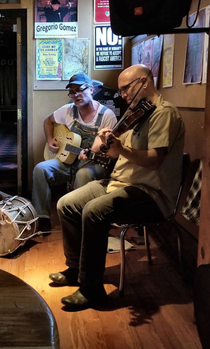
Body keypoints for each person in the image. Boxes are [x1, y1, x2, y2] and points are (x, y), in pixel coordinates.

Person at [51, 64, 185, 309]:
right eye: (121, 90)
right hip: (119, 184)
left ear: (144, 82)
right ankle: (75, 269)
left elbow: (154, 161)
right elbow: (101, 152)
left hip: (149, 193)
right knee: (66, 204)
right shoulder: (136, 113)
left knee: (94, 211)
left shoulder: (164, 114)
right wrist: (103, 142)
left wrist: (121, 149)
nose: (122, 94)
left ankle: (92, 290)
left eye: (126, 88)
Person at [32, 73, 117, 233]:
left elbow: (110, 150)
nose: (75, 95)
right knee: (40, 169)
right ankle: (42, 219)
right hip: (67, 160)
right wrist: (50, 140)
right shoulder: (68, 110)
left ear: (91, 89)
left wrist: (93, 152)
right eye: (72, 92)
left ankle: (79, 223)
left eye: (79, 89)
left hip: (95, 162)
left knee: (83, 175)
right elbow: (48, 121)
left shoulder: (106, 115)